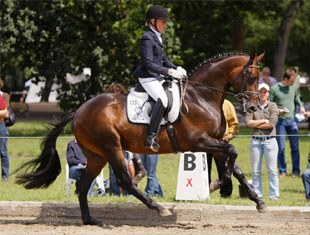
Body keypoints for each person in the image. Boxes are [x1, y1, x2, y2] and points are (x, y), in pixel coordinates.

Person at [133, 5, 187, 152]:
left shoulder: (157, 37)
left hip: (156, 76)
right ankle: (150, 137)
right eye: (162, 22)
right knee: (162, 100)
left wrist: (176, 68)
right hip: (147, 77)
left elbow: (163, 59)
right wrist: (169, 71)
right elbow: (149, 64)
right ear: (153, 21)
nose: (165, 24)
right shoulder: (147, 38)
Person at [246, 83, 280, 200]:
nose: (263, 94)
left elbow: (272, 124)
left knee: (272, 170)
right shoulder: (252, 106)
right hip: (255, 142)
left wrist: (258, 123)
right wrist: (264, 121)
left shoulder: (273, 106)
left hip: (270, 141)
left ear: (268, 93)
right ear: (258, 93)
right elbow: (248, 123)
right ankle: (257, 195)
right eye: (261, 92)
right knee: (255, 171)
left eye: (265, 92)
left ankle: (274, 196)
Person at [269, 68, 305, 177]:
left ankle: (296, 171)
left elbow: (297, 97)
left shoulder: (293, 88)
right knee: (281, 148)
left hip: (292, 121)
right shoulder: (274, 89)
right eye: (291, 81)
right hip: (280, 122)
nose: (293, 83)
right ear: (285, 78)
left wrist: (301, 106)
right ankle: (282, 170)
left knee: (295, 147)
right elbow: (270, 104)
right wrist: (278, 111)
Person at [207, 99, 239, 198]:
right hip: (205, 142)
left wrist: (229, 135)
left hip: (222, 142)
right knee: (204, 168)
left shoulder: (227, 104)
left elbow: (234, 124)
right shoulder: (205, 101)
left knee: (224, 168)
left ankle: (226, 193)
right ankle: (204, 191)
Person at [0, 78, 10, 181]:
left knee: (3, 152)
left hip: (1, 126)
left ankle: (5, 175)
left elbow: (5, 113)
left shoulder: (4, 96)